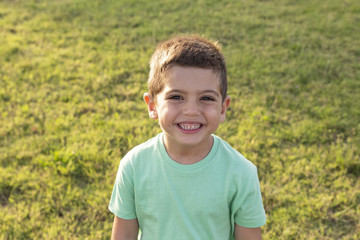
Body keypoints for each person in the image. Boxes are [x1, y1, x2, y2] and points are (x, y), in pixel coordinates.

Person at [109, 34, 266, 240]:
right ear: (152, 105)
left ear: (223, 108)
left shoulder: (240, 173)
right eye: (176, 97)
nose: (191, 110)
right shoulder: (134, 165)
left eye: (206, 98)